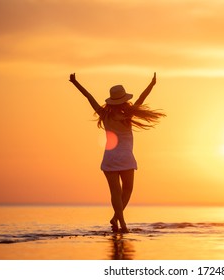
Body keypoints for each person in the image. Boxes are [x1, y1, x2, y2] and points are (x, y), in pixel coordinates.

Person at [69, 72, 165, 232]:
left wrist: (75, 82)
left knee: (115, 192)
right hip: (126, 157)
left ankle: (117, 220)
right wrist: (152, 84)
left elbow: (89, 97)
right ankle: (121, 224)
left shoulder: (104, 115)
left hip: (110, 157)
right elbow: (141, 98)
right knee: (127, 190)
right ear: (125, 100)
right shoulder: (128, 115)